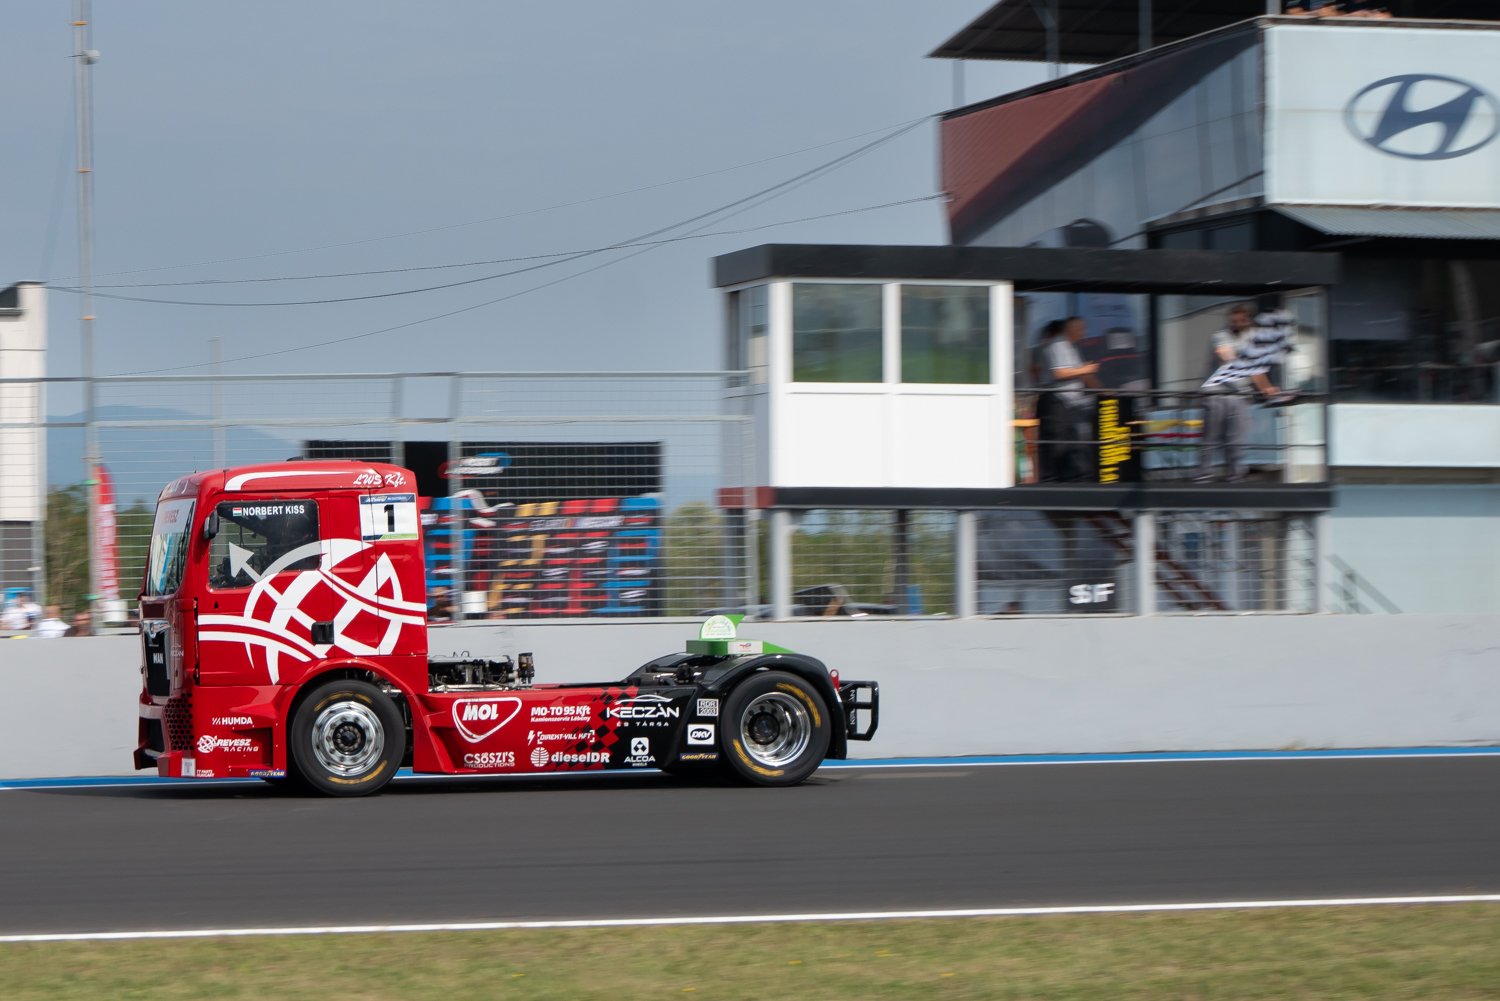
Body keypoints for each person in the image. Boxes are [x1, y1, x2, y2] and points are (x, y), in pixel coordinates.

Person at [1198, 300, 1294, 482]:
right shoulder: (1220, 335)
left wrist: (1267, 388)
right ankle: (1203, 475)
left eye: (1239, 321)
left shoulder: (1251, 337)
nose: (1235, 325)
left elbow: (1256, 369)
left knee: (1235, 438)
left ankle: (1235, 475)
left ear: (1247, 321)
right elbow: (1225, 356)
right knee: (1211, 437)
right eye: (1233, 321)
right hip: (1215, 394)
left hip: (1238, 395)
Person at [1042, 316, 1101, 482]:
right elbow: (1059, 373)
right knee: (1060, 445)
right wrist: (1084, 370)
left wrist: (1102, 391)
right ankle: (1059, 481)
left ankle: (1076, 477)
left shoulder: (1071, 347)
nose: (1084, 332)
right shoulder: (1058, 345)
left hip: (1072, 404)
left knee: (1075, 443)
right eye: (1081, 329)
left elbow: (1085, 374)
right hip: (1060, 402)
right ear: (1071, 330)